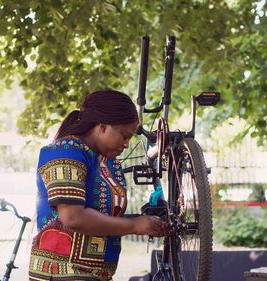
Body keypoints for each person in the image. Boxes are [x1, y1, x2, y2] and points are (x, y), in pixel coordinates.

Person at [28, 90, 168, 281]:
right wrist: (134, 225)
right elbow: (73, 217)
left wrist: (146, 221)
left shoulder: (108, 163)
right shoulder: (65, 151)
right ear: (102, 127)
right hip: (63, 273)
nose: (126, 145)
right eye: (124, 136)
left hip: (95, 275)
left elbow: (102, 217)